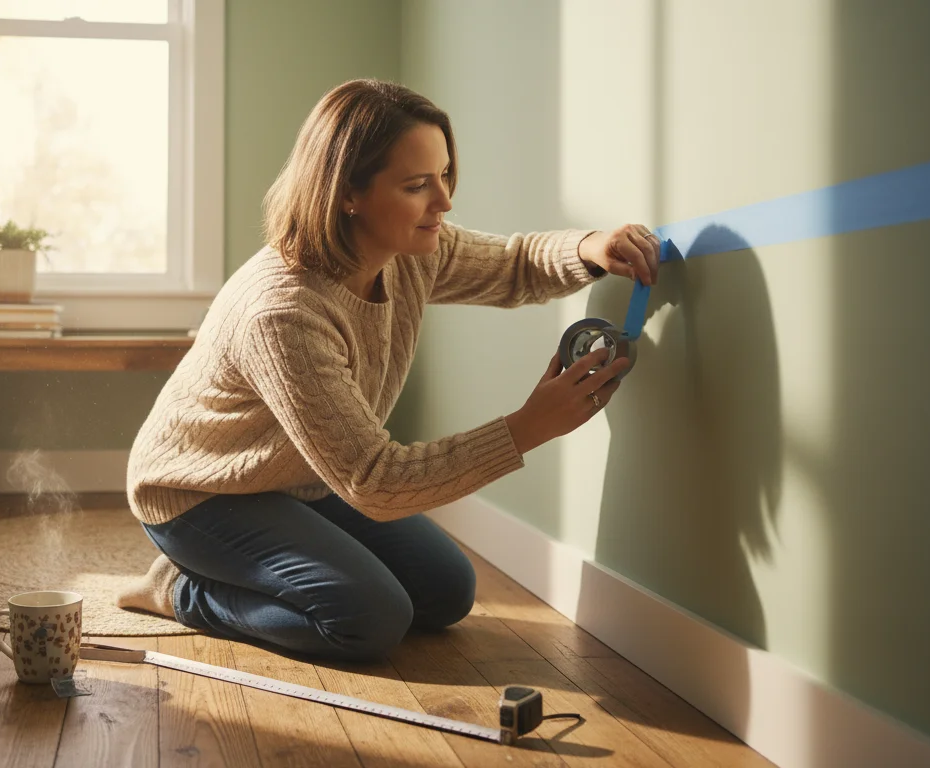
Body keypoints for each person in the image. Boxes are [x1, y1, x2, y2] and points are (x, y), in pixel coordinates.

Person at [115, 79, 660, 661]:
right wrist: (528, 426)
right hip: (201, 491)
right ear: (349, 193)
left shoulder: (405, 251)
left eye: (445, 175)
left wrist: (591, 247)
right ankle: (179, 590)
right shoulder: (284, 313)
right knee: (367, 620)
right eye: (417, 185)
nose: (444, 202)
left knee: (447, 592)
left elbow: (512, 264)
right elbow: (375, 481)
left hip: (299, 475)